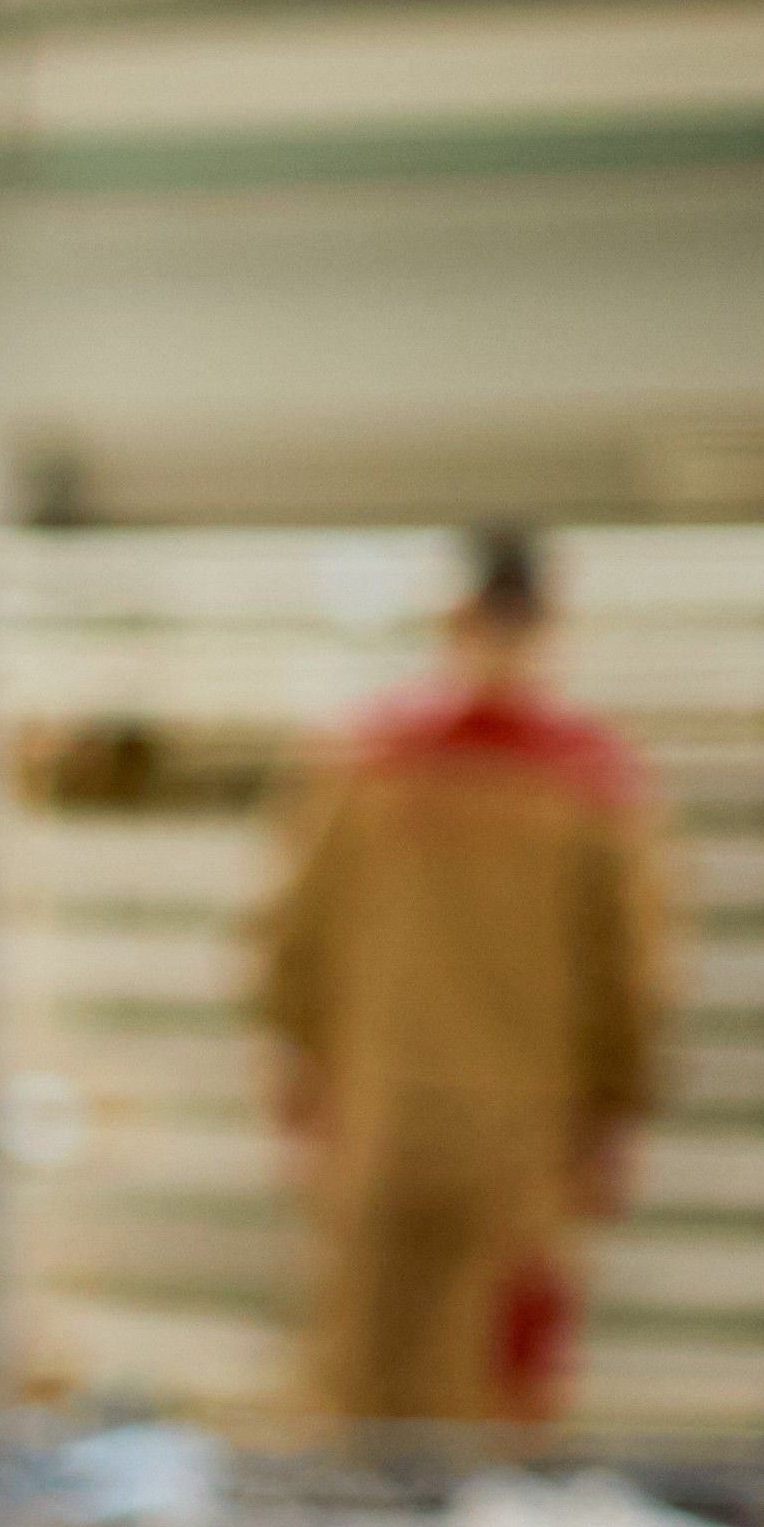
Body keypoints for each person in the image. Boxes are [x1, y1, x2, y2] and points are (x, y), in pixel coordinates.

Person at [258, 528, 674, 1429]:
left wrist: (300, 1071)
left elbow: (295, 940)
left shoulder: (365, 766)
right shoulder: (592, 784)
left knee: (366, 1373)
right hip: (518, 1128)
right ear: (551, 626)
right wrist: (615, 1109)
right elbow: (629, 977)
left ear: (455, 619)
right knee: (491, 1386)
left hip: (384, 1114)